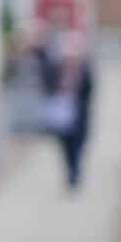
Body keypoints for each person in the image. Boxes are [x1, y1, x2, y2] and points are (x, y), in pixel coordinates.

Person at [38, 25, 96, 191]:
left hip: (79, 115)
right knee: (65, 146)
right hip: (63, 114)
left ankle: (75, 173)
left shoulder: (84, 69)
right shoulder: (56, 68)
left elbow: (89, 91)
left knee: (78, 145)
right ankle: (71, 172)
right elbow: (45, 78)